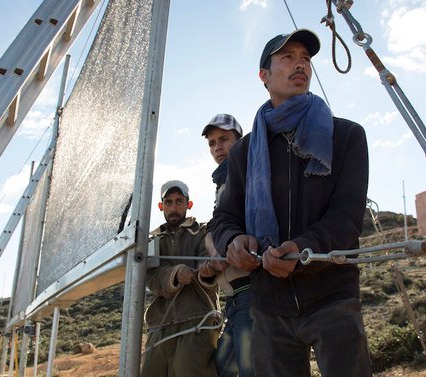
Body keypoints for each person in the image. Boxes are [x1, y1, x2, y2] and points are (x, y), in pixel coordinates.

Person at [211, 29, 372, 377]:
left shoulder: (346, 136)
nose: (300, 64)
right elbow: (224, 217)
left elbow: (346, 217)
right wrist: (233, 242)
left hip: (334, 295)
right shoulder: (243, 152)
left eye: (305, 58)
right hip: (268, 305)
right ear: (264, 77)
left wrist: (301, 249)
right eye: (287, 57)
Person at [142, 180, 220, 377]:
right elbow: (151, 279)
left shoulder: (202, 233)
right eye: (168, 202)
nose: (173, 207)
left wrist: (206, 272)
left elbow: (210, 268)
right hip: (159, 325)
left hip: (197, 322)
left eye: (179, 201)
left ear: (189, 204)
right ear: (161, 207)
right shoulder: (153, 242)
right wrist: (175, 274)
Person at [199, 114, 254, 377]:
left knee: (250, 369)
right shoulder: (222, 181)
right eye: (211, 143)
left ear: (240, 141)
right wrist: (212, 261)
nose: (217, 147)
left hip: (251, 292)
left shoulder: (245, 175)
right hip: (233, 299)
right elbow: (217, 232)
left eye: (224, 139)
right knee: (223, 368)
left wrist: (221, 248)